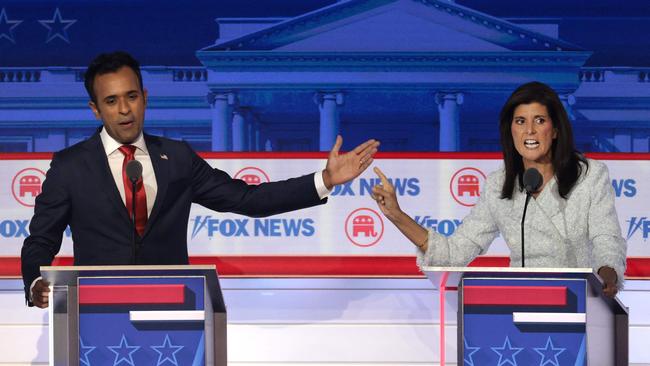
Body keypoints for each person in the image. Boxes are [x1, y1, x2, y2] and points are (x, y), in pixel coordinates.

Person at [22, 51, 380, 308]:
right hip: (97, 310)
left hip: (171, 308)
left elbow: (247, 200)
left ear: (145, 98)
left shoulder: (177, 158)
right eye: (112, 101)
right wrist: (36, 281)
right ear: (95, 109)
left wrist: (325, 179)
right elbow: (41, 239)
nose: (124, 110)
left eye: (131, 97)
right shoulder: (70, 166)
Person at [371, 81, 626, 297]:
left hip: (582, 302)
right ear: (510, 130)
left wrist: (607, 273)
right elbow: (454, 253)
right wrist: (397, 215)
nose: (530, 130)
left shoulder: (589, 175)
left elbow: (607, 238)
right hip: (521, 305)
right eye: (520, 121)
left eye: (539, 120)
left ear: (555, 129)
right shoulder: (498, 185)